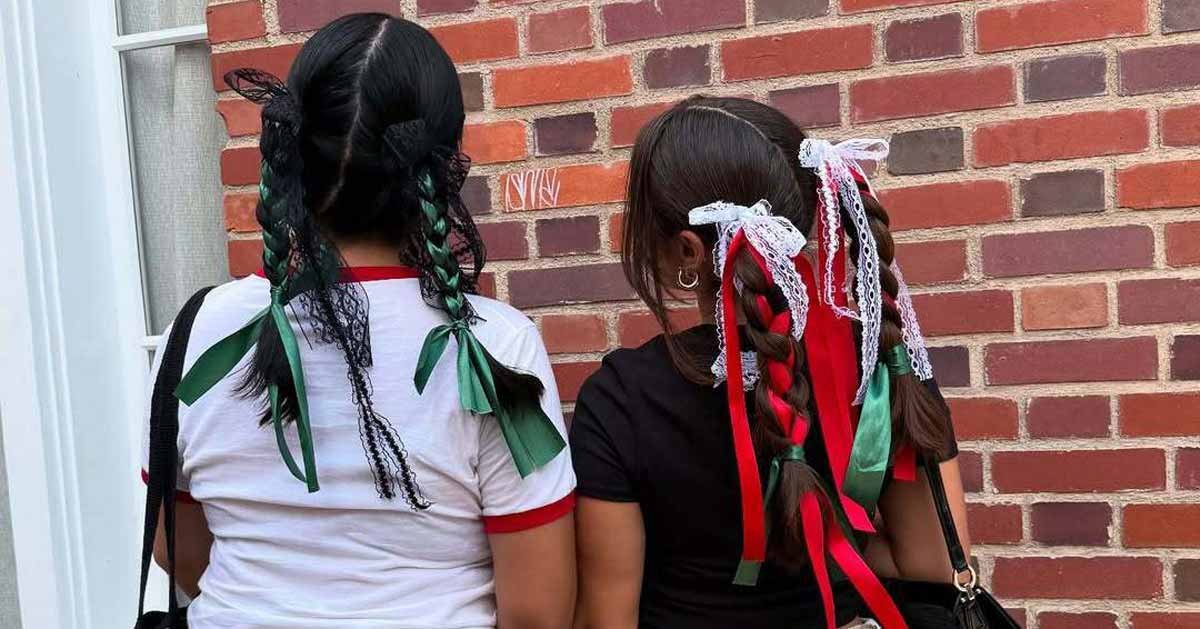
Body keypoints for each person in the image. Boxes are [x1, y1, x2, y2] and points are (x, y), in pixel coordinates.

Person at [141, 14, 575, 628]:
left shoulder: (195, 331)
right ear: (443, 163)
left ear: (294, 152)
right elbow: (538, 612)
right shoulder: (493, 346)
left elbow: (178, 550)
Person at [570, 96, 970, 629]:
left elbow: (608, 618)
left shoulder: (621, 398)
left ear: (688, 250)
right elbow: (934, 564)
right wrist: (833, 535)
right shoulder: (878, 354)